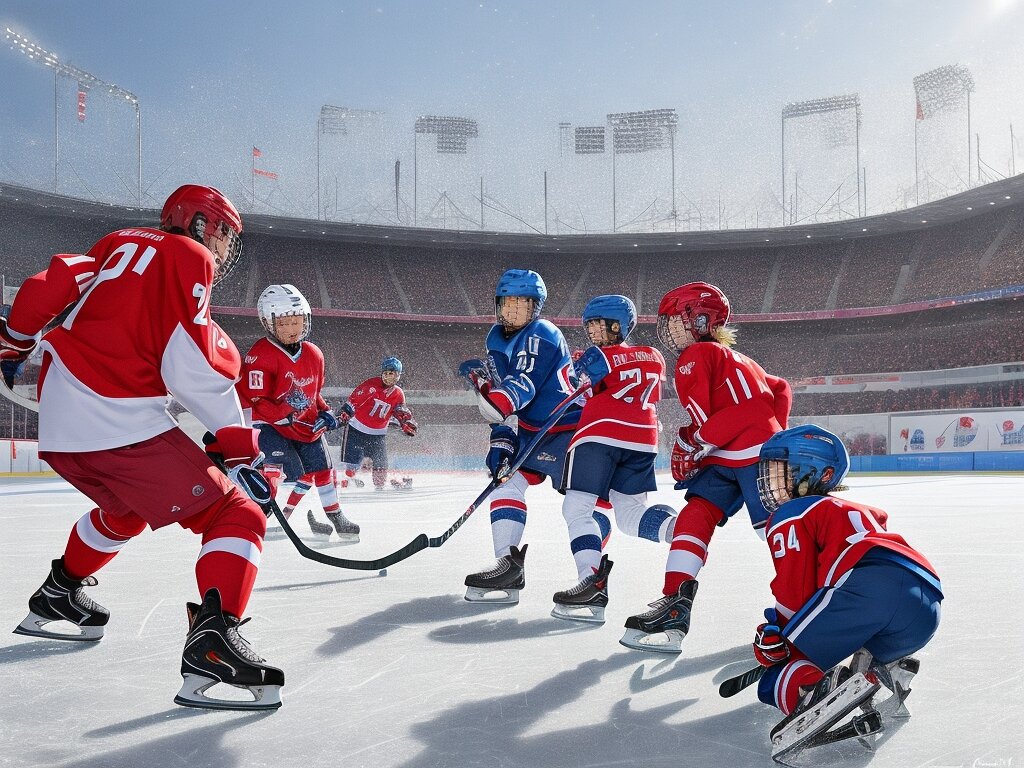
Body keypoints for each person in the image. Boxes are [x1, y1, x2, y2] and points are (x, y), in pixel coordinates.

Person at [0, 185, 284, 711]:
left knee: (125, 512)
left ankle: (58, 593)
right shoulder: (191, 255)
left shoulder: (118, 240)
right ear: (199, 224)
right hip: (113, 413)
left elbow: (53, 282)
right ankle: (214, 647)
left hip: (61, 415)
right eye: (223, 233)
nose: (225, 247)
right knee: (237, 512)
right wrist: (239, 446)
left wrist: (15, 340)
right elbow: (191, 361)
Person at [751, 424, 942, 760]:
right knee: (860, 643)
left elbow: (795, 590)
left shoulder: (792, 511)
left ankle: (815, 692)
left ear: (820, 474)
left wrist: (779, 638)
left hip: (868, 587)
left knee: (778, 674)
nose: (772, 483)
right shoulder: (853, 509)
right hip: (926, 603)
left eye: (782, 472)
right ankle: (887, 671)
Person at [620, 281, 792, 653]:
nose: (669, 330)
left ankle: (676, 604)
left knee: (774, 529)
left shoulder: (695, 356)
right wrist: (778, 434)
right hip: (751, 452)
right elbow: (780, 390)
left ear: (701, 320)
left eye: (676, 321)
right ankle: (676, 602)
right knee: (711, 517)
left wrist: (692, 444)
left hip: (737, 450)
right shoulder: (744, 360)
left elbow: (709, 420)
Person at [459, 268, 605, 605]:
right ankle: (508, 566)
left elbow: (518, 387)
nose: (514, 311)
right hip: (534, 430)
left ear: (535, 308)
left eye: (523, 304)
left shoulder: (542, 332)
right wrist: (501, 438)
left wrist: (486, 392)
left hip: (567, 428)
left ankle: (592, 578)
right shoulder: (495, 339)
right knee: (506, 483)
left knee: (581, 507)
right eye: (508, 303)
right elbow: (502, 399)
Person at [550, 295, 676, 623]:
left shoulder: (597, 357)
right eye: (590, 326)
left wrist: (577, 371)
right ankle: (681, 530)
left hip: (599, 435)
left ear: (619, 325)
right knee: (631, 516)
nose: (593, 331)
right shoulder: (654, 355)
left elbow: (578, 393)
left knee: (576, 509)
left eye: (599, 325)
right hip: (643, 439)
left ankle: (590, 583)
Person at [236, 284, 356, 541]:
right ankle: (267, 514)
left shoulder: (314, 354)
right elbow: (257, 400)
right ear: (269, 323)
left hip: (304, 426)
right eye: (284, 323)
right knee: (282, 469)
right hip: (270, 425)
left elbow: (313, 394)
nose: (292, 329)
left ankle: (335, 516)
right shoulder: (260, 355)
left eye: (297, 321)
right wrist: (284, 415)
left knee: (323, 469)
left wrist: (325, 412)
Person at [334, 357, 418, 493]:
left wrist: (406, 422)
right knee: (351, 466)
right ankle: (344, 481)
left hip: (378, 435)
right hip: (356, 430)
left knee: (381, 468)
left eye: (392, 374)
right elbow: (352, 403)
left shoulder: (398, 394)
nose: (388, 377)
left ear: (398, 375)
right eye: (386, 373)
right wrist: (342, 416)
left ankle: (381, 487)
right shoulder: (370, 386)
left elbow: (400, 412)